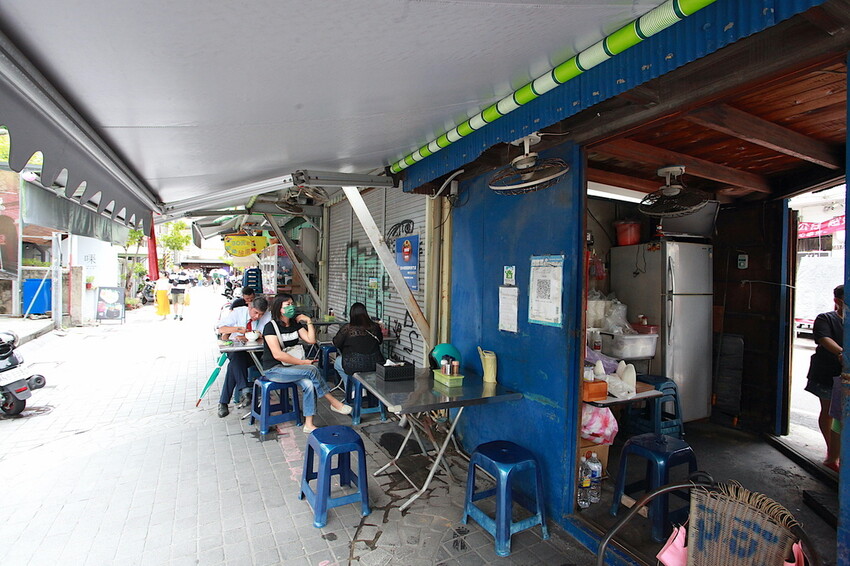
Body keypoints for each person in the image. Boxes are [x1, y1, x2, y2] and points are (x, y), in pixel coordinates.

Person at [261, 294, 351, 433]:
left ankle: (309, 424)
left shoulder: (295, 324)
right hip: (274, 370)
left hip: (292, 368)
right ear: (279, 308)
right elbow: (278, 355)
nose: (291, 307)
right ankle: (333, 402)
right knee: (311, 370)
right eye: (287, 305)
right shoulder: (270, 327)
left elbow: (311, 340)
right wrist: (302, 362)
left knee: (309, 383)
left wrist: (308, 321)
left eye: (292, 303)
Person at [805, 283, 844, 472]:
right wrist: (843, 353)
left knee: (840, 415)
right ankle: (832, 453)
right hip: (827, 372)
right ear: (837, 301)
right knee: (830, 412)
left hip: (844, 375)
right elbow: (824, 339)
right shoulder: (825, 318)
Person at [215, 296, 271, 418]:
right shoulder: (238, 312)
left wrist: (251, 336)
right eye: (255, 313)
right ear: (249, 307)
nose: (257, 317)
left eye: (261, 314)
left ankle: (225, 401)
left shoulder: (267, 316)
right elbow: (220, 328)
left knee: (233, 366)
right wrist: (237, 329)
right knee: (236, 357)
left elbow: (268, 334)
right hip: (238, 352)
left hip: (256, 353)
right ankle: (244, 390)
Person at [332, 302, 385, 393]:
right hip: (375, 364)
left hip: (354, 365)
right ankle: (363, 389)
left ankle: (353, 390)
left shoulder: (347, 329)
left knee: (337, 362)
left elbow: (336, 343)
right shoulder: (375, 327)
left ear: (351, 315)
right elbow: (380, 341)